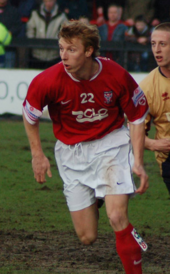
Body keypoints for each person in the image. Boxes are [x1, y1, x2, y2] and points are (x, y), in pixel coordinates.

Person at [23, 21, 149, 274]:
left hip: (111, 145)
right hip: (71, 153)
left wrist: (137, 160)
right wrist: (38, 154)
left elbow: (136, 118)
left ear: (89, 50)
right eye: (61, 49)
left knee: (116, 217)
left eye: (71, 49)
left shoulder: (116, 75)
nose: (64, 56)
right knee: (87, 237)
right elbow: (30, 116)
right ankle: (98, 195)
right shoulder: (47, 80)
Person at [139, 22, 170, 195]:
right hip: (168, 160)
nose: (157, 50)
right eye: (153, 44)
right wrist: (153, 144)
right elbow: (132, 132)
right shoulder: (147, 88)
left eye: (163, 44)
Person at [26, 0, 68, 69]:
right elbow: (30, 30)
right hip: (37, 55)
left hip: (54, 56)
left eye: (51, 1)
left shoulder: (61, 16)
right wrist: (33, 44)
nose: (49, 3)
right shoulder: (35, 14)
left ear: (55, 1)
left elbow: (66, 33)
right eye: (47, 1)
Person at [0, 0, 22, 67]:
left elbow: (18, 26)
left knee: (8, 72)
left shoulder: (13, 11)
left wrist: (9, 33)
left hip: (10, 48)